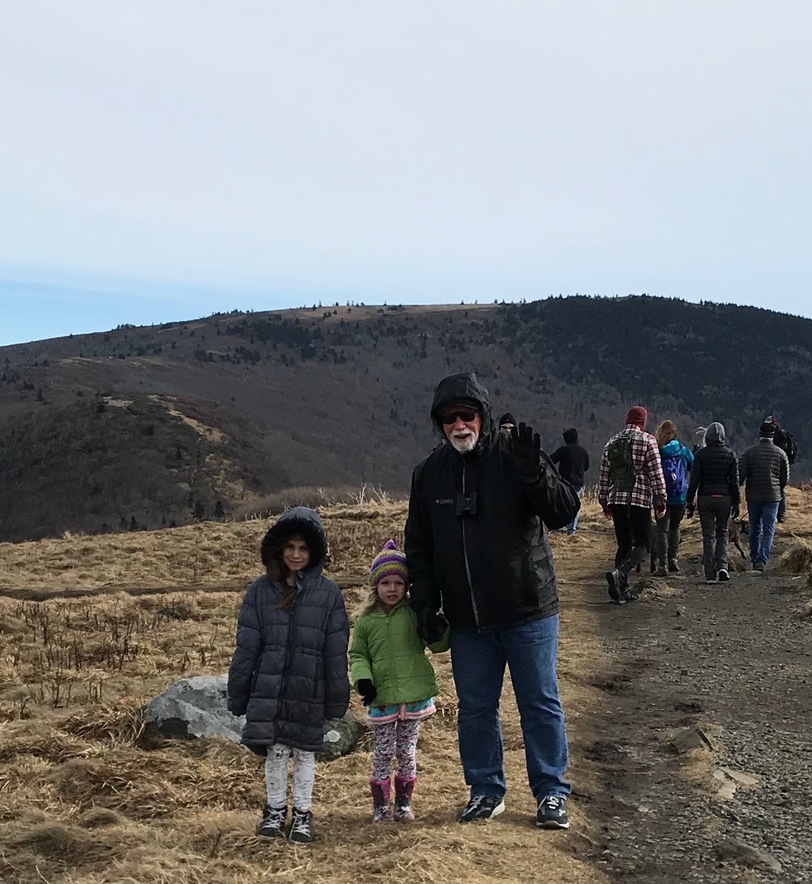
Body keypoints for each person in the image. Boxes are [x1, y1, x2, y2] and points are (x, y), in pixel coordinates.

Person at [405, 372, 580, 830]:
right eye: (449, 418)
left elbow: (564, 511)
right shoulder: (428, 474)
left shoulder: (517, 454)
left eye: (467, 415)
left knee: (539, 703)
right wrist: (424, 602)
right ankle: (485, 790)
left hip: (528, 609)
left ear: (482, 414)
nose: (459, 425)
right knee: (475, 708)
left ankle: (551, 792)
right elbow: (419, 547)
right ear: (440, 424)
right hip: (467, 620)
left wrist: (535, 474)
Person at [227, 507, 350, 844]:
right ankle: (275, 810)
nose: (296, 555)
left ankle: (303, 814)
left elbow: (335, 652)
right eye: (290, 547)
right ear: (278, 549)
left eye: (304, 548)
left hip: (309, 690)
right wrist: (239, 691)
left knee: (306, 753)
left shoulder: (328, 594)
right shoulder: (259, 591)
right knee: (276, 752)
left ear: (315, 551)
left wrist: (337, 698)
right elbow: (247, 647)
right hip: (270, 688)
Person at [350, 540, 448, 823]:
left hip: (413, 697)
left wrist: (440, 626)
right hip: (381, 698)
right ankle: (381, 806)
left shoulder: (415, 613)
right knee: (382, 752)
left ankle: (403, 804)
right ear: (375, 586)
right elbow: (358, 655)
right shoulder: (366, 621)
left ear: (407, 586)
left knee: (407, 752)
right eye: (385, 583)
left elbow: (438, 645)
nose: (392, 589)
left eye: (398, 583)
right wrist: (363, 680)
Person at [598, 406, 667, 603]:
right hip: (639, 499)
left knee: (624, 544)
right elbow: (656, 473)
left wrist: (604, 502)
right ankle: (620, 573)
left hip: (616, 499)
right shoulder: (647, 441)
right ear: (643, 422)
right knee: (645, 543)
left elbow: (604, 475)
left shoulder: (612, 441)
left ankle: (621, 590)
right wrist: (661, 499)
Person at [685, 422, 739, 583]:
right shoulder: (730, 455)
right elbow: (734, 482)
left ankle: (709, 573)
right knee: (722, 532)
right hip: (724, 498)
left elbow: (694, 480)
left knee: (708, 535)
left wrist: (689, 501)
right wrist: (736, 502)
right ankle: (723, 566)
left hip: (705, 498)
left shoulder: (701, 455)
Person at [738, 421, 790, 571]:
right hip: (772, 496)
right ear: (773, 436)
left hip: (753, 495)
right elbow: (785, 479)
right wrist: (778, 488)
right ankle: (762, 559)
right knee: (768, 529)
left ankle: (754, 558)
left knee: (754, 528)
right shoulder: (781, 454)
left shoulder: (749, 453)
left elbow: (740, 475)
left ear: (759, 435)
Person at [652, 420, 694, 576]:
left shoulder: (657, 452)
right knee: (675, 527)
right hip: (680, 496)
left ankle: (662, 565)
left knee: (662, 530)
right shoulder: (683, 451)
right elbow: (694, 468)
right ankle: (673, 559)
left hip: (661, 496)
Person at [550, 428, 590, 535]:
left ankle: (556, 527)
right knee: (574, 505)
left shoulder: (564, 450)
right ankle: (571, 529)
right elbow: (586, 467)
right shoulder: (583, 452)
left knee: (559, 504)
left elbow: (551, 460)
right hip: (578, 483)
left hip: (564, 482)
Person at [764, 416, 798, 523]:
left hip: (774, 465)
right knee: (781, 489)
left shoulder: (775, 437)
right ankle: (780, 515)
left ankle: (775, 514)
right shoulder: (783, 435)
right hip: (783, 465)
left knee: (774, 488)